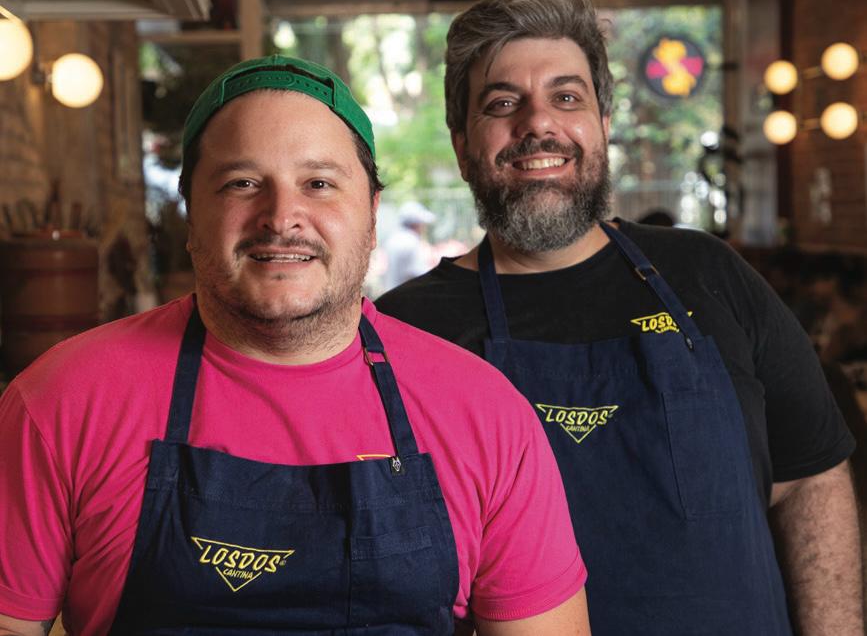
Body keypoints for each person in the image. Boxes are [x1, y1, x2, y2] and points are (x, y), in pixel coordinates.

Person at [0, 55, 591, 636]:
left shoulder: (485, 414)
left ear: (371, 211)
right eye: (243, 183)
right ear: (190, 213)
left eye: (319, 183)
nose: (282, 217)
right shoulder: (61, 402)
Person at [376, 0, 863, 635]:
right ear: (463, 144)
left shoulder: (707, 274)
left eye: (566, 97)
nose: (537, 123)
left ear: (602, 125)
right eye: (502, 103)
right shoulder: (406, 331)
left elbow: (809, 478)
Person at [383, 200, 437, 290]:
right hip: (406, 297)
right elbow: (418, 274)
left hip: (391, 294)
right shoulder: (411, 241)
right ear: (415, 224)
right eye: (422, 223)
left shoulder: (393, 239)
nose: (424, 227)